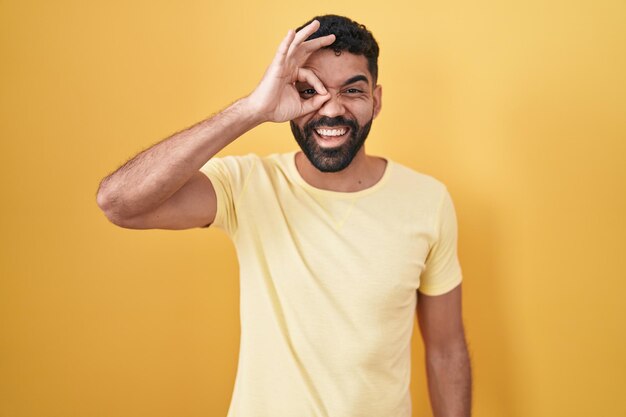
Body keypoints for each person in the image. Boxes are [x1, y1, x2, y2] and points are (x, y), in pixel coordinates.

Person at [97, 14, 472, 417]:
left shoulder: (427, 200)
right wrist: (253, 109)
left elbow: (446, 351)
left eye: (352, 90)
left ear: (376, 101)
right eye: (311, 90)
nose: (332, 109)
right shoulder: (247, 184)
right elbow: (119, 203)